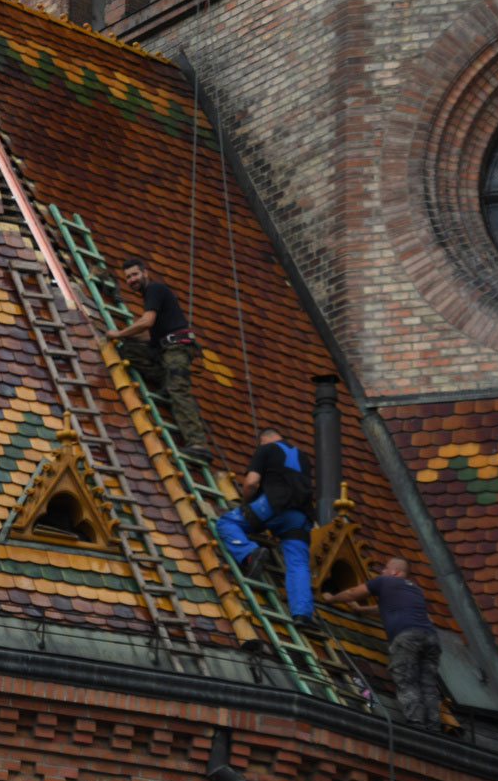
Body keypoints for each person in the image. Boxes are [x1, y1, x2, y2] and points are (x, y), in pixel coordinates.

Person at [104, 257, 212, 462]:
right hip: (166, 348)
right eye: (128, 277)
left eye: (135, 274)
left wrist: (119, 333)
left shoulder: (154, 289)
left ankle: (198, 443)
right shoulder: (151, 295)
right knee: (129, 350)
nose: (132, 279)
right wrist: (126, 336)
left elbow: (147, 322)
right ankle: (165, 380)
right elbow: (150, 337)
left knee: (178, 390)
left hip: (177, 348)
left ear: (145, 273)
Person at [321, 557, 441, 732]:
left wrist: (331, 599)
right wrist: (361, 610)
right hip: (430, 638)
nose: (382, 571)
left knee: (405, 677)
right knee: (427, 684)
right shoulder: (415, 589)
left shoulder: (384, 581)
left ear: (395, 571)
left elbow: (352, 593)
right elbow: (383, 608)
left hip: (406, 636)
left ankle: (417, 723)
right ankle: (434, 726)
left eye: (385, 568)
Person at [215, 428, 317, 629]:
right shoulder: (303, 457)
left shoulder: (266, 449)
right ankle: (302, 615)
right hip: (300, 516)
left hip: (272, 505)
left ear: (263, 440)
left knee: (226, 522)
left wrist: (247, 502)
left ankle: (249, 553)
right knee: (298, 564)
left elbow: (251, 482)